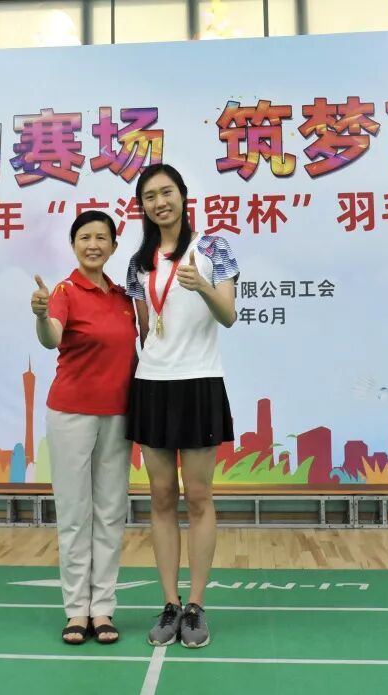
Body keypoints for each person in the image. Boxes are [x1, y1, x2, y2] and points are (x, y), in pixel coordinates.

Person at [125, 164, 239, 649]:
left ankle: (195, 606)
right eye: (149, 196)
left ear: (183, 195)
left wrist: (203, 286)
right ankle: (170, 603)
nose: (159, 202)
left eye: (166, 192)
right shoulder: (138, 262)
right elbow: (144, 330)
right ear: (143, 207)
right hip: (152, 384)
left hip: (199, 383)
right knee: (160, 498)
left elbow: (228, 316)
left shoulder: (213, 249)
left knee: (198, 497)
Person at [31, 210, 138, 645]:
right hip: (71, 414)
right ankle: (77, 610)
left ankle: (103, 609)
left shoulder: (123, 297)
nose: (93, 245)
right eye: (85, 238)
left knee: (111, 513)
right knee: (75, 514)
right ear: (74, 245)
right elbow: (52, 337)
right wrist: (41, 315)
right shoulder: (64, 291)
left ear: (113, 246)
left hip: (118, 415)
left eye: (101, 238)